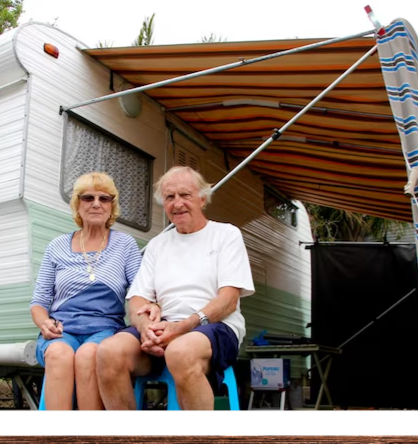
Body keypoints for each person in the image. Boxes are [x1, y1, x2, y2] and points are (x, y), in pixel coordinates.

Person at [96, 166, 255, 410]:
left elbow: (229, 300)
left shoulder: (226, 235)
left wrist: (183, 327)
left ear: (202, 199)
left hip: (214, 327)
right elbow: (137, 300)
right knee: (108, 352)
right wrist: (146, 329)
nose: (177, 203)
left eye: (185, 195)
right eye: (170, 197)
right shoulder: (157, 244)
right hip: (163, 331)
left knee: (180, 352)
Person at [30, 172, 143, 410]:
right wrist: (45, 323)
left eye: (104, 198)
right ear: (77, 205)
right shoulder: (57, 246)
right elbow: (39, 301)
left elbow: (139, 292)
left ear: (112, 206)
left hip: (105, 329)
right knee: (58, 354)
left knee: (89, 355)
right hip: (62, 330)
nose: (96, 204)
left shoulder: (125, 244)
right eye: (88, 197)